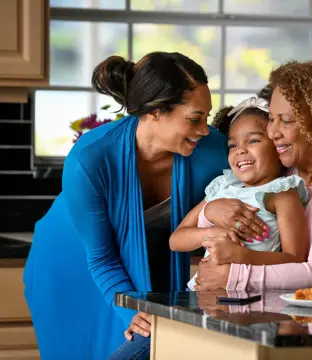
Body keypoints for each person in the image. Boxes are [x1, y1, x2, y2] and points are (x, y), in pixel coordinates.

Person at [22, 51, 265, 360]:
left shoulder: (211, 152)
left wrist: (210, 210)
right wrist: (131, 311)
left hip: (144, 263)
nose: (205, 130)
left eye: (206, 116)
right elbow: (101, 257)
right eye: (194, 118)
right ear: (155, 112)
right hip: (70, 264)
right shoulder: (91, 158)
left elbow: (257, 185)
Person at [195, 60, 312, 293]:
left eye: (286, 121)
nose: (272, 132)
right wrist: (209, 211)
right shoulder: (287, 169)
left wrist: (234, 276)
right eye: (272, 119)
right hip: (276, 320)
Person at [168, 96, 310, 291]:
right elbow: (176, 240)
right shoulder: (222, 186)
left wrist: (241, 256)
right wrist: (214, 233)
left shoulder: (281, 193)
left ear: (276, 147)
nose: (240, 151)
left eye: (253, 140)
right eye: (233, 145)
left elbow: (295, 259)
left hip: (251, 302)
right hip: (201, 294)